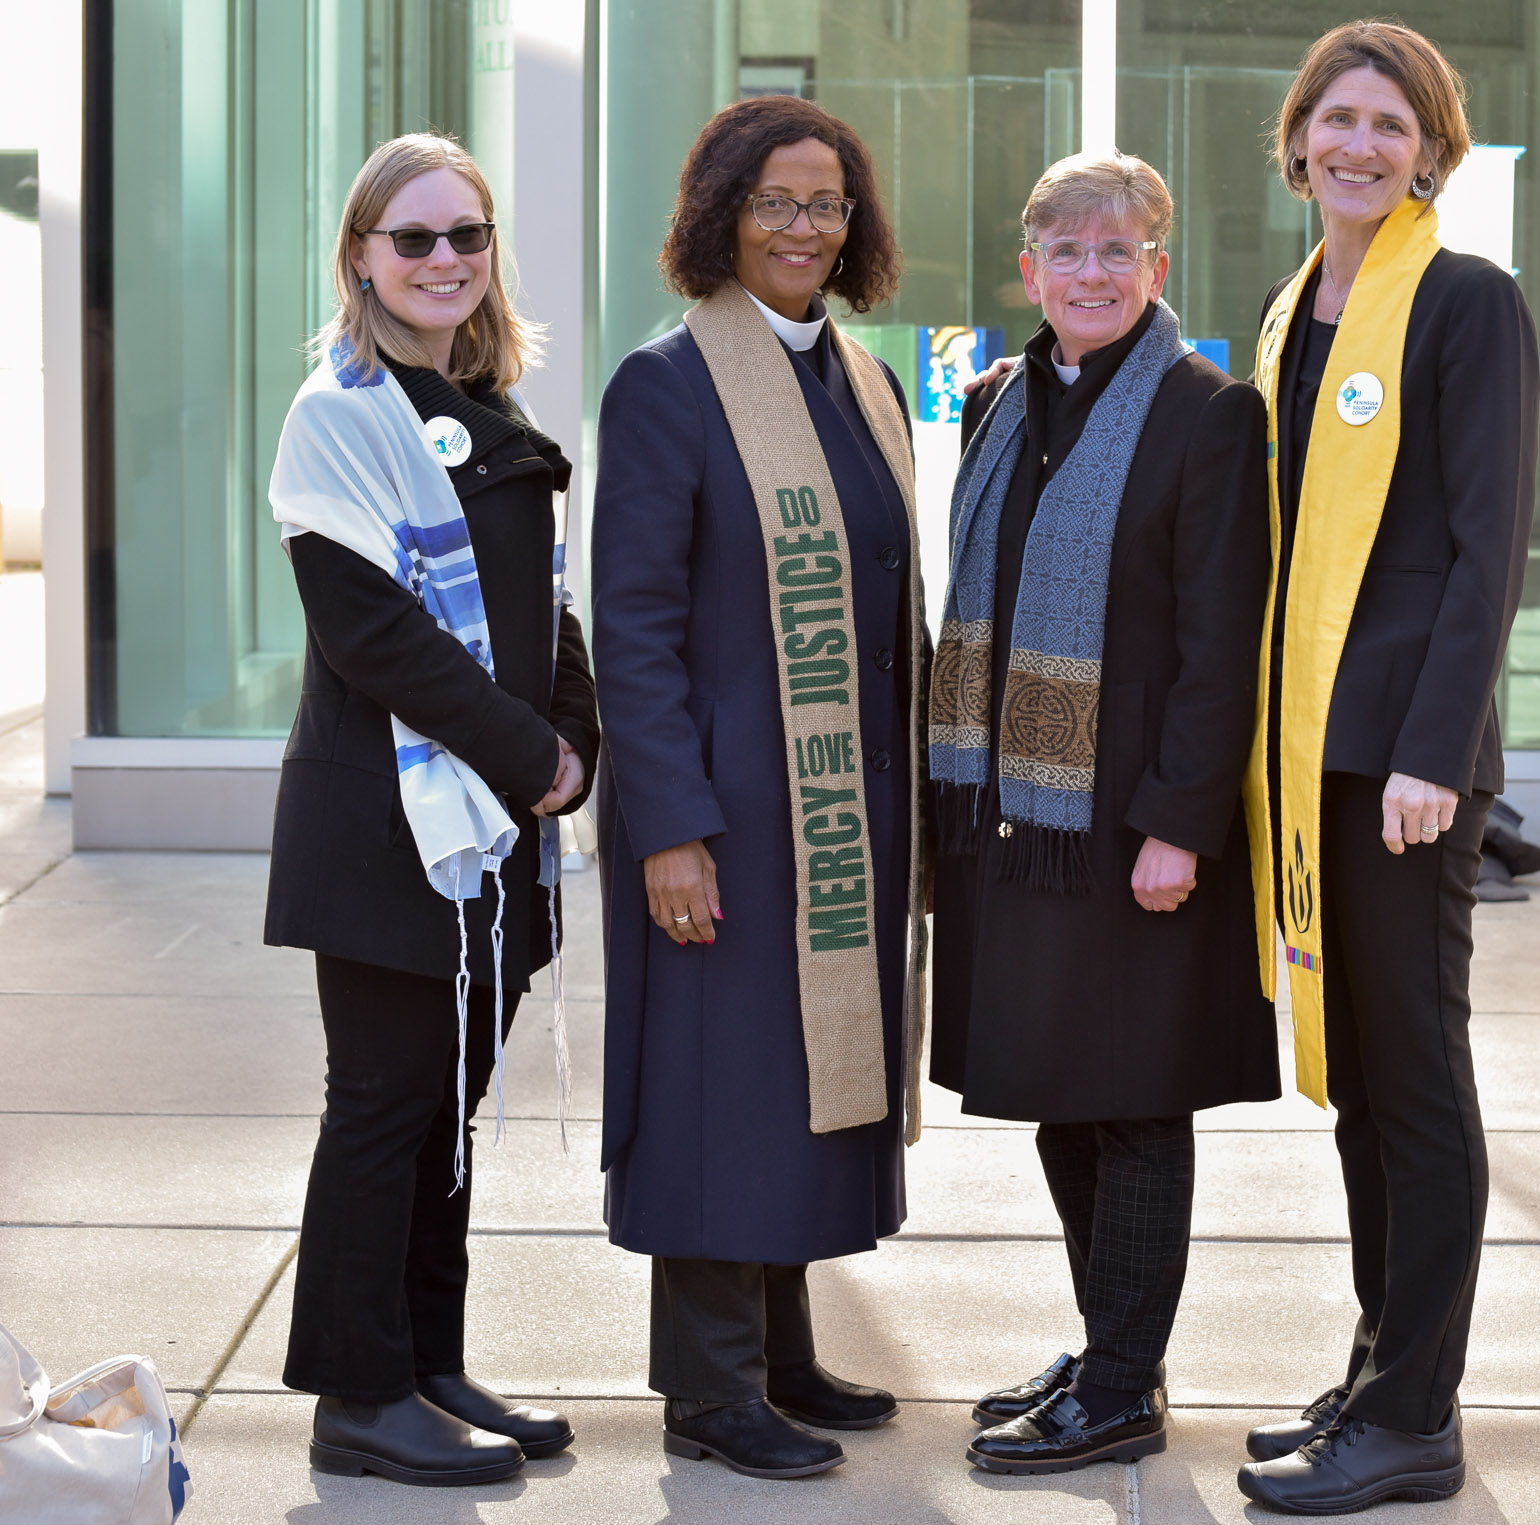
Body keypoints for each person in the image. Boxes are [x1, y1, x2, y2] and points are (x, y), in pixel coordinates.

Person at [589, 95, 928, 1481]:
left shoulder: (860, 381)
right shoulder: (668, 384)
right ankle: (710, 1388)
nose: (805, 226)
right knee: (717, 1085)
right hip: (726, 810)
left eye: (828, 202)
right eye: (779, 200)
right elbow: (635, 624)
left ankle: (780, 1351)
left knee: (800, 1076)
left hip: (834, 807)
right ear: (722, 210)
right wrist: (670, 823)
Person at [931, 150, 1279, 1477]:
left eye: (1115, 250)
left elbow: (1220, 638)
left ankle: (1124, 1379)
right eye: (1064, 252)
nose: (1089, 272)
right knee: (1061, 1094)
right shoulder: (1000, 402)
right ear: (1030, 269)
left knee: (1132, 1100)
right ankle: (1108, 1346)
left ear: (1157, 269)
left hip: (1131, 820)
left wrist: (1180, 824)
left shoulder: (1205, 412)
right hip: (1021, 816)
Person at [264, 132, 600, 1487]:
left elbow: (546, 605)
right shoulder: (341, 415)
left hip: (495, 817)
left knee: (443, 1101)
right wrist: (534, 756)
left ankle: (424, 1359)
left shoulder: (487, 403)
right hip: (391, 823)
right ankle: (358, 1392)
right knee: (386, 1103)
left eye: (468, 234)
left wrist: (575, 736)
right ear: (360, 255)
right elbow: (373, 634)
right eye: (415, 238)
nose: (446, 258)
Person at [1235, 21, 1539, 1514]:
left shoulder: (1465, 304)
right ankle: (1379, 1365)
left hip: (1405, 767)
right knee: (1363, 1080)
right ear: (1299, 140)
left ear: (1430, 148)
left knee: (1415, 1080)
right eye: (1338, 118)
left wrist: (1434, 752)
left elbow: (1491, 549)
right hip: (1315, 762)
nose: (1361, 144)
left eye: (1391, 123)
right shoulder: (1298, 308)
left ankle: (1417, 1411)